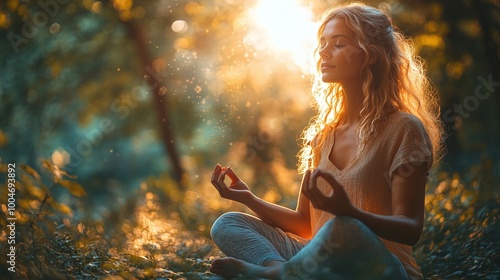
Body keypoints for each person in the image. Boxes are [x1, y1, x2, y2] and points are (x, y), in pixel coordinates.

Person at [209, 2, 444, 279]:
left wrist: (350, 213)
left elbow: (411, 228)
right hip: (320, 258)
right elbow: (306, 224)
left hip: (380, 267)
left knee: (344, 228)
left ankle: (273, 275)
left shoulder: (404, 129)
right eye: (322, 43)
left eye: (338, 43)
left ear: (370, 54)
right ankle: (278, 270)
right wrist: (249, 199)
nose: (323, 51)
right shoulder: (323, 136)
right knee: (228, 223)